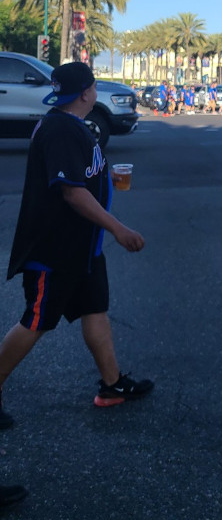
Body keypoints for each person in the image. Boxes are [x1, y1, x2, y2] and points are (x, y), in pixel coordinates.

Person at [0, 62, 153, 430]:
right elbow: (71, 193)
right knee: (35, 322)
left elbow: (82, 178)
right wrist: (118, 228)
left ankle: (112, 386)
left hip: (83, 248)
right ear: (87, 92)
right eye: (94, 86)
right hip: (55, 251)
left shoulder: (70, 124)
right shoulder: (60, 130)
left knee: (95, 309)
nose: (95, 91)